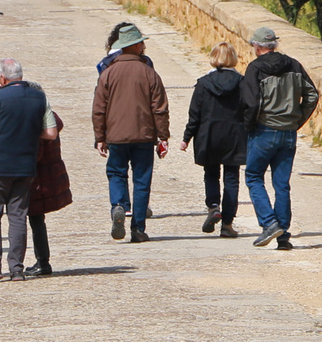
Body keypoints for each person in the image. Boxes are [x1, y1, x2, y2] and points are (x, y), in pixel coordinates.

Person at [0, 59, 58, 282]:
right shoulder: (39, 97)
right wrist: (27, 131)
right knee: (18, 215)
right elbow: (51, 133)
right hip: (25, 165)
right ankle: (17, 268)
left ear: (2, 78)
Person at [239, 26, 319, 250]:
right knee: (281, 184)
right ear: (273, 44)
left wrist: (249, 125)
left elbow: (251, 102)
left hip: (264, 130)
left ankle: (269, 223)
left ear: (257, 46)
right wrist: (297, 121)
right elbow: (312, 95)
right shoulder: (294, 64)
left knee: (254, 177)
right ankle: (283, 235)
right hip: (288, 132)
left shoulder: (255, 68)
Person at [91, 22, 169, 243]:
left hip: (115, 135)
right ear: (134, 46)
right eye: (141, 43)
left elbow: (99, 108)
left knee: (116, 173)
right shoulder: (149, 72)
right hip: (144, 135)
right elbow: (160, 108)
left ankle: (118, 205)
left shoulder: (108, 73)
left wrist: (100, 137)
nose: (143, 46)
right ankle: (138, 228)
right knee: (142, 180)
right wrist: (163, 137)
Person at [181, 43, 248, 238]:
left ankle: (213, 206)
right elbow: (249, 110)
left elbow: (195, 114)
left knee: (211, 173)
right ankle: (227, 223)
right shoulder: (242, 83)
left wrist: (186, 138)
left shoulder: (203, 83)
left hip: (208, 135)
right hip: (234, 136)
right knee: (231, 178)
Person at [24, 109, 72, 276]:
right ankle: (42, 260)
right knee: (37, 219)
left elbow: (36, 154)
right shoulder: (48, 118)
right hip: (47, 175)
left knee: (34, 219)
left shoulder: (37, 121)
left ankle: (42, 261)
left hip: (38, 178)